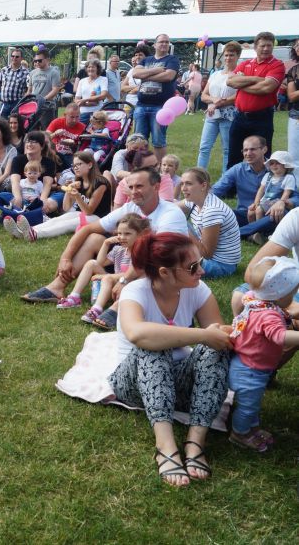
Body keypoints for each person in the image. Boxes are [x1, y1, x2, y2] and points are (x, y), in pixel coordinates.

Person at [108, 232, 231, 487]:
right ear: (164, 272)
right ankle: (165, 447)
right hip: (134, 384)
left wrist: (228, 333)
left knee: (215, 349)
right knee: (153, 343)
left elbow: (216, 334)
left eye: (200, 263)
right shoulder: (135, 292)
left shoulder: (197, 289)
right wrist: (201, 335)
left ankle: (195, 443)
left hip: (179, 387)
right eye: (193, 267)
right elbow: (137, 333)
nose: (201, 271)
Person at [22, 166, 188, 304]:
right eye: (130, 187)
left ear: (156, 187)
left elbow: (159, 255)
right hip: (128, 263)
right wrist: (65, 258)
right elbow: (87, 229)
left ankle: (121, 304)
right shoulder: (130, 207)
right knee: (94, 238)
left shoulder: (170, 214)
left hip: (157, 269)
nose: (134, 192)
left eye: (139, 186)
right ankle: (57, 287)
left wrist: (123, 279)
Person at [228, 257, 299, 452]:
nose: (293, 298)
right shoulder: (268, 314)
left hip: (249, 364)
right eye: (292, 294)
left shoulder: (256, 299)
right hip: (250, 370)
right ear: (279, 294)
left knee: (253, 402)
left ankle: (252, 429)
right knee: (248, 406)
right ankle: (239, 434)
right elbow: (279, 336)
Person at [5, 151, 111, 241]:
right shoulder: (80, 181)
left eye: (79, 164)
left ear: (90, 165)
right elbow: (66, 207)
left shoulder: (100, 183)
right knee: (57, 219)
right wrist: (68, 191)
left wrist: (77, 197)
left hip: (98, 219)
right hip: (82, 213)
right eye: (74, 165)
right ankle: (26, 231)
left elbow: (89, 211)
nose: (76, 168)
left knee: (67, 224)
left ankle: (35, 234)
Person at [57, 213, 150, 315]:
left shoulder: (141, 253)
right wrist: (106, 244)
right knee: (91, 263)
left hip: (128, 286)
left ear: (140, 234)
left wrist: (104, 276)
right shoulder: (118, 250)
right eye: (119, 233)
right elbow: (100, 263)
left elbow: (131, 274)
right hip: (114, 284)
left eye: (127, 234)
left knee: (107, 279)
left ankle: (96, 309)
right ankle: (74, 297)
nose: (122, 237)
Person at [227, 31, 284, 167]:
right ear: (255, 47)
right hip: (240, 117)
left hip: (262, 118)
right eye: (262, 46)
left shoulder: (277, 65)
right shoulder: (245, 63)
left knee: (261, 157)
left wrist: (242, 84)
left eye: (269, 45)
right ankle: (232, 181)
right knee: (234, 156)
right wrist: (256, 79)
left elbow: (266, 88)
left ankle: (262, 181)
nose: (266, 49)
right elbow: (230, 81)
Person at [176, 167, 241, 278]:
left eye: (189, 184)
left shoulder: (212, 211)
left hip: (220, 265)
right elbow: (171, 209)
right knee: (174, 218)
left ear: (203, 186)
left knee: (169, 261)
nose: (183, 188)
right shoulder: (195, 200)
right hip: (206, 254)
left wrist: (183, 230)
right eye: (182, 184)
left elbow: (207, 253)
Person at [131, 34, 180, 161]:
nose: (164, 44)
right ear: (155, 45)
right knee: (138, 141)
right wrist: (156, 70)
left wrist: (145, 76)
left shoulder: (172, 59)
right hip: (141, 106)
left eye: (167, 42)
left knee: (158, 141)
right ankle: (142, 166)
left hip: (161, 107)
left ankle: (159, 168)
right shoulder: (146, 60)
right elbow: (135, 73)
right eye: (161, 41)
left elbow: (168, 76)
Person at [211, 135, 276, 228]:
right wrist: (196, 201)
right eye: (245, 150)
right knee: (217, 214)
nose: (248, 153)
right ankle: (251, 231)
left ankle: (245, 231)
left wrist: (282, 202)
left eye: (252, 149)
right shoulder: (237, 169)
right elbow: (217, 189)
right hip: (244, 214)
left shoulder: (277, 169)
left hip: (269, 214)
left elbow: (294, 197)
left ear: (264, 149)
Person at [249, 151, 296, 227]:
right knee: (250, 212)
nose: (274, 165)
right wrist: (256, 203)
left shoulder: (288, 177)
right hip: (265, 201)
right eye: (271, 163)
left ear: (286, 165)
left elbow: (286, 193)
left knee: (259, 210)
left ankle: (260, 230)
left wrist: (280, 202)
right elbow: (261, 190)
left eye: (277, 163)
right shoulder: (268, 175)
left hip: (276, 202)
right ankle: (252, 230)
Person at [26, 49, 63, 126]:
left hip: (47, 107)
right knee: (32, 130)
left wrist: (43, 100)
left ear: (47, 60)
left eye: (39, 60)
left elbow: (55, 90)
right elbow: (29, 90)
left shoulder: (54, 72)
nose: (37, 62)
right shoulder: (32, 73)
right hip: (34, 106)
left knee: (46, 130)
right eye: (35, 61)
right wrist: (26, 100)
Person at [46, 104, 86, 169]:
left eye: (77, 117)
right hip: (54, 152)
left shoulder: (82, 127)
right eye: (72, 117)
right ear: (65, 115)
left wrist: (73, 145)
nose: (75, 120)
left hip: (70, 155)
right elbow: (45, 138)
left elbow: (82, 147)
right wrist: (55, 134)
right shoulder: (57, 122)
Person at [0, 48, 30, 118]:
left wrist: (23, 99)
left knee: (15, 123)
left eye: (17, 57)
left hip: (16, 104)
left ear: (21, 58)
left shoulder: (26, 72)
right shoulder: (4, 70)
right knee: (1, 122)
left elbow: (29, 89)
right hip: (4, 103)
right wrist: (0, 95)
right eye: (13, 56)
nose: (14, 58)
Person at [74, 60, 109, 124]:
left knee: (97, 130)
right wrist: (90, 103)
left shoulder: (103, 79)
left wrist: (85, 100)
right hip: (83, 113)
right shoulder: (82, 81)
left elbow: (103, 95)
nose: (90, 69)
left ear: (97, 68)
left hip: (97, 114)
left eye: (93, 67)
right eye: (89, 67)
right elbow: (77, 99)